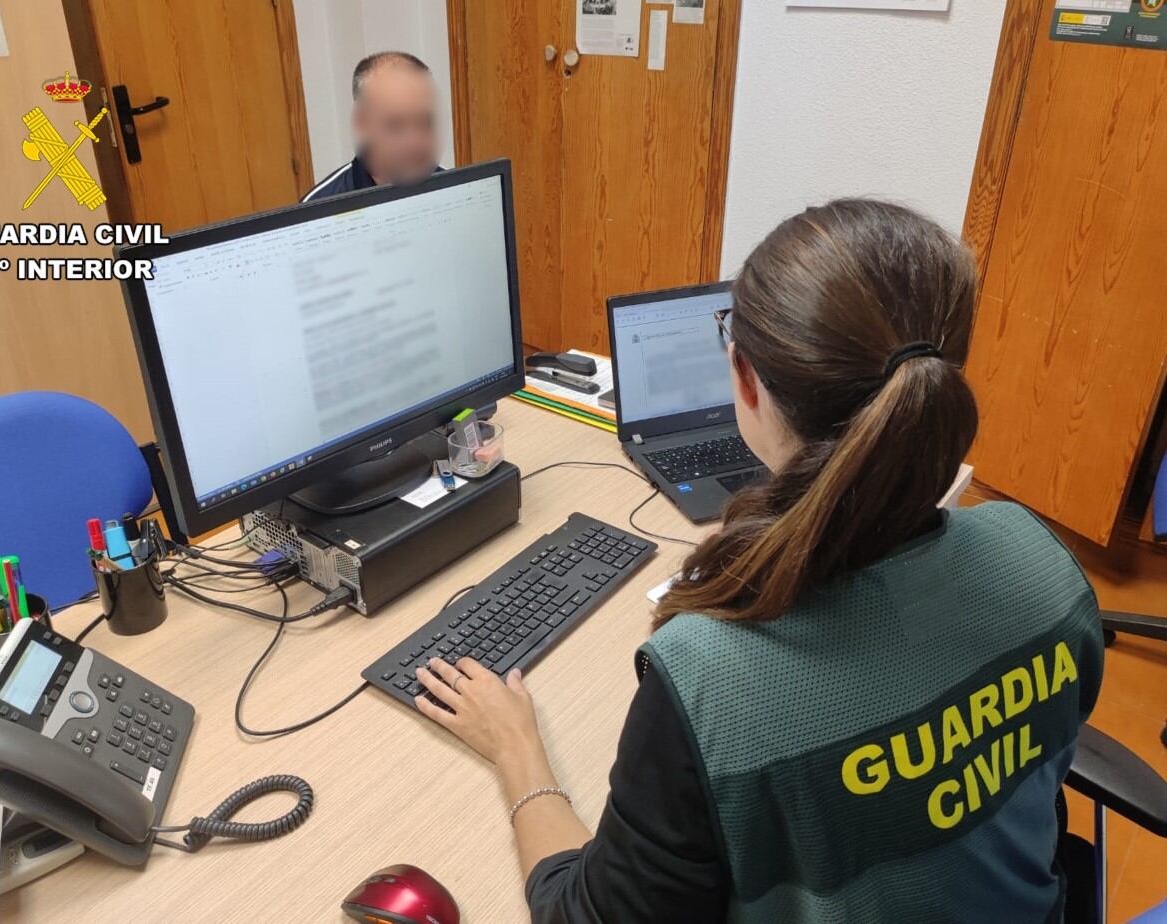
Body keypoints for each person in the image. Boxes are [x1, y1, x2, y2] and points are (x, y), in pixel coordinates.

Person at [412, 199, 1104, 922]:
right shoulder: (1042, 562)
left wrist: (518, 750)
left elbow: (585, 915)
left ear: (744, 382)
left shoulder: (709, 678)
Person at [302, 51, 441, 202]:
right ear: (361, 123)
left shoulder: (451, 187)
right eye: (395, 125)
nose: (414, 142)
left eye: (424, 122)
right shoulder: (319, 209)